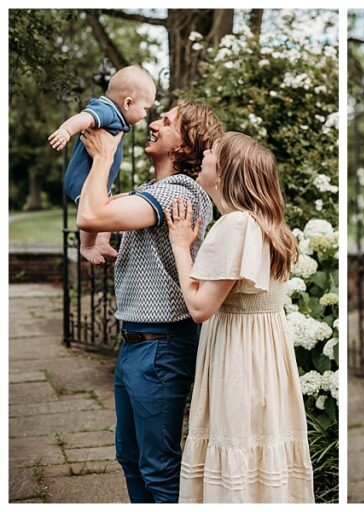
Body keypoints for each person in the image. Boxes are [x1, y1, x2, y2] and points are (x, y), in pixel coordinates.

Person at [77, 100, 223, 503]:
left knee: (158, 468)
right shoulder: (156, 192)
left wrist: (105, 154)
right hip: (137, 346)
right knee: (131, 457)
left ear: (183, 145)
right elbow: (97, 220)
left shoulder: (180, 194)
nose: (154, 124)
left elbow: (89, 216)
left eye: (167, 122)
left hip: (161, 348)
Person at [165, 132, 314, 502]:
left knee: (237, 448)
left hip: (240, 360)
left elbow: (200, 308)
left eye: (212, 152)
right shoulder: (265, 223)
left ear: (227, 170)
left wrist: (180, 246)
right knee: (258, 459)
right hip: (265, 358)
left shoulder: (235, 225)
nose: (204, 156)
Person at [50, 65, 156, 264]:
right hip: (83, 177)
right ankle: (88, 245)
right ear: (128, 102)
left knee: (105, 207)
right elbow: (84, 118)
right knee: (93, 214)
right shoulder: (106, 110)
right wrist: (66, 130)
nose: (145, 115)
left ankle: (101, 242)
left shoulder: (117, 116)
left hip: (97, 179)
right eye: (145, 108)